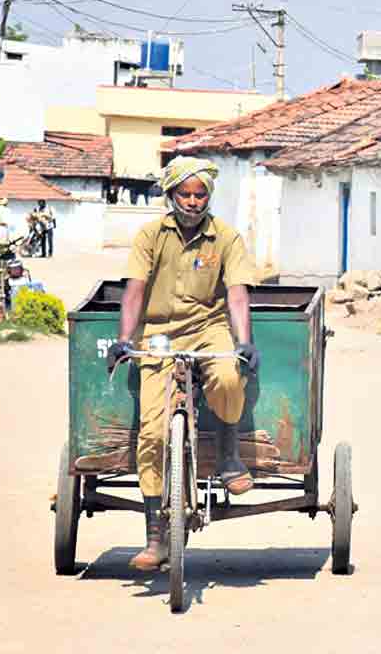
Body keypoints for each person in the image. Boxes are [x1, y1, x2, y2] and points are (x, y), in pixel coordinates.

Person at [104, 156, 261, 571]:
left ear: (209, 196)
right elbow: (134, 290)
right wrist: (124, 339)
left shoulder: (226, 237)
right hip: (157, 334)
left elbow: (238, 294)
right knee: (152, 434)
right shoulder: (150, 235)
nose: (192, 201)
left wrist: (243, 342)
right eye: (185, 194)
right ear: (171, 194)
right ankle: (155, 535)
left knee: (228, 378)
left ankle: (229, 453)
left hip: (208, 328)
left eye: (200, 194)